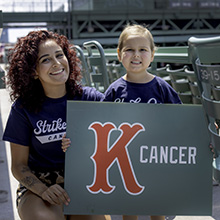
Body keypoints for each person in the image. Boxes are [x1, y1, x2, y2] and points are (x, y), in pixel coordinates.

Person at [2, 30, 111, 220]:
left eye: (60, 55)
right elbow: (18, 166)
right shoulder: (23, 109)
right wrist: (43, 190)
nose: (57, 63)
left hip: (82, 181)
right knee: (45, 217)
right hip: (38, 185)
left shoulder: (88, 98)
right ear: (33, 72)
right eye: (45, 60)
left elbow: (123, 117)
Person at [103, 24, 182, 220]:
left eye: (143, 50)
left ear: (152, 55)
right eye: (129, 50)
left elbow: (181, 117)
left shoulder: (162, 87)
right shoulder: (115, 90)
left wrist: (201, 129)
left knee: (157, 204)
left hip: (155, 156)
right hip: (125, 159)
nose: (136, 55)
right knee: (129, 206)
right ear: (119, 54)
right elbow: (100, 120)